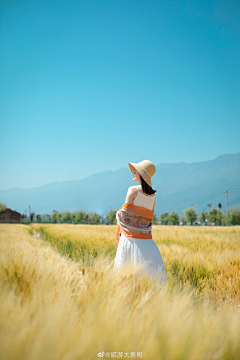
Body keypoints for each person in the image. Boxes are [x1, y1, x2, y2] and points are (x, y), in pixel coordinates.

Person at [114, 160, 168, 286]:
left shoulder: (132, 190)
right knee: (149, 282)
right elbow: (147, 220)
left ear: (142, 175)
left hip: (130, 241)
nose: (133, 172)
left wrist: (117, 231)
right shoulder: (153, 197)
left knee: (126, 281)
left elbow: (123, 216)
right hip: (148, 243)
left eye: (136, 170)